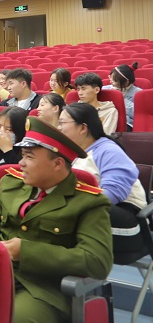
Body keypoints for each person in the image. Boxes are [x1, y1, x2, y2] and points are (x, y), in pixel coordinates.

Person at [0, 117, 113, 322]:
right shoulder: (11, 183)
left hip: (43, 289)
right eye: (22, 155)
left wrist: (25, 252)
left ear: (57, 163)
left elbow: (97, 262)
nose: (21, 163)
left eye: (29, 157)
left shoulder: (88, 202)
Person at [59, 103, 147, 265]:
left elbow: (112, 194)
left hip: (127, 218)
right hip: (94, 212)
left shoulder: (108, 150)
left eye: (62, 123)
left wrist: (70, 205)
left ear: (82, 128)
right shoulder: (76, 153)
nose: (59, 128)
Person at [104, 63, 142, 131]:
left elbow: (138, 114)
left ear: (126, 82)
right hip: (107, 120)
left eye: (114, 80)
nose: (110, 81)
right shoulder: (106, 89)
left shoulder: (138, 93)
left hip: (126, 124)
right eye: (110, 77)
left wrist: (120, 98)